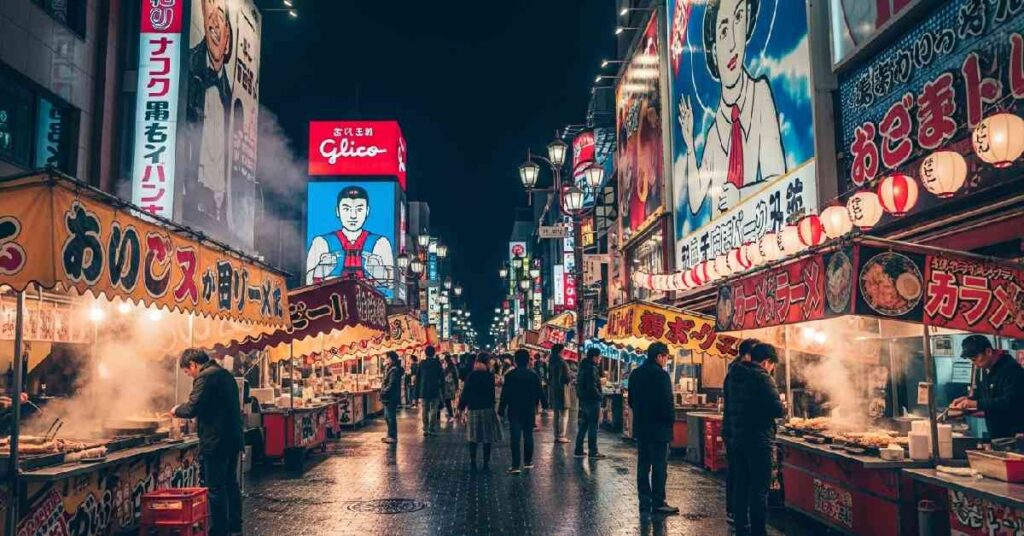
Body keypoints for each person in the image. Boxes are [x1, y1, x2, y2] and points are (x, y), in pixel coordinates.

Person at [675, 0, 787, 222]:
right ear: (714, 52)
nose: (734, 42)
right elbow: (696, 201)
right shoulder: (715, 133)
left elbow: (779, 181)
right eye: (724, 30)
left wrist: (741, 197)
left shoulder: (761, 94)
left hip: (761, 231)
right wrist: (689, 145)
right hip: (721, 242)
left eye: (738, 18)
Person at [171, 349, 244, 536]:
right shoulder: (225, 374)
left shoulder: (205, 377)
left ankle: (220, 530)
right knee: (230, 483)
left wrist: (176, 410)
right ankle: (235, 525)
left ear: (194, 364)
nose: (189, 375)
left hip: (216, 441)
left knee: (216, 487)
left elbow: (193, 407)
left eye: (188, 371)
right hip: (233, 438)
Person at [726, 343, 785, 536]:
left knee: (741, 484)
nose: (772, 369)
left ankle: (742, 526)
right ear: (766, 362)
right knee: (759, 490)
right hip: (759, 441)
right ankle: (759, 531)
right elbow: (776, 409)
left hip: (738, 438)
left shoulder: (734, 376)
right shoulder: (762, 378)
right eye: (772, 365)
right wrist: (783, 405)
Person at [305, 185, 395, 284]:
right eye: (346, 209)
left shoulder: (380, 243)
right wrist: (320, 271)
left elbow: (392, 284)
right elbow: (308, 282)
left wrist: (379, 272)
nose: (353, 216)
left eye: (359, 209)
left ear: (367, 211)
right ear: (337, 211)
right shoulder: (321, 242)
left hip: (369, 298)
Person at [628, 342, 679, 516]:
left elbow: (631, 402)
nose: (666, 360)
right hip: (659, 429)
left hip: (642, 427)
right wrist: (670, 421)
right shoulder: (661, 376)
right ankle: (658, 502)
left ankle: (644, 500)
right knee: (659, 466)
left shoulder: (635, 374)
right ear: (659, 356)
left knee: (643, 464)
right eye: (665, 357)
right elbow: (667, 403)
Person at [951, 335, 1024, 439]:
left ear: (988, 352)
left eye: (975, 359)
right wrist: (968, 399)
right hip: (996, 434)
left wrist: (976, 403)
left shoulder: (1011, 369)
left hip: (1015, 435)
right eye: (972, 360)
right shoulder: (985, 369)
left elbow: (1010, 401)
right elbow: (982, 395)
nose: (975, 364)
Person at [723, 338, 760, 527]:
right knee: (740, 475)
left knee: (737, 473)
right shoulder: (745, 374)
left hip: (732, 430)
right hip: (740, 432)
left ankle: (735, 512)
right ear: (748, 354)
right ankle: (737, 512)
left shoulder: (733, 372)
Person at [498, 349, 544, 474]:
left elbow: (505, 394)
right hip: (529, 408)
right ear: (527, 360)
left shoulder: (510, 375)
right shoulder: (533, 374)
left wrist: (501, 410)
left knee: (515, 437)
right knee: (528, 435)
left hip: (514, 409)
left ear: (516, 361)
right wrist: (544, 404)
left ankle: (515, 465)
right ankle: (528, 462)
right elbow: (540, 391)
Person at [458, 354, 502, 471]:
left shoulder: (471, 375)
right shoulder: (490, 376)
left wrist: (461, 408)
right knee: (487, 438)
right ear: (486, 362)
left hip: (473, 408)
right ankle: (486, 463)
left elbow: (465, 393)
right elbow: (492, 394)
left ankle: (473, 462)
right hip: (487, 408)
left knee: (473, 437)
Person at [574, 347, 607, 459]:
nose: (600, 359)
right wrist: (599, 396)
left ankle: (578, 450)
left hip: (584, 400)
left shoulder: (583, 366)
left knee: (584, 425)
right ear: (594, 357)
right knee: (593, 426)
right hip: (592, 401)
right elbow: (591, 386)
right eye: (599, 357)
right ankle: (593, 451)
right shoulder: (591, 368)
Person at [417, 346, 444, 436]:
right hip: (435, 389)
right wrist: (443, 390)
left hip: (424, 390)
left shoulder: (422, 363)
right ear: (434, 353)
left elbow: (418, 378)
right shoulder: (437, 363)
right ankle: (431, 428)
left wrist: (416, 394)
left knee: (425, 409)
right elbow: (442, 378)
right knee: (433, 409)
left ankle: (425, 428)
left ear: (425, 353)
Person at [548, 344, 572, 443]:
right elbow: (566, 378)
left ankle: (556, 435)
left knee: (556, 414)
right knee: (564, 413)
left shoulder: (551, 362)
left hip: (553, 389)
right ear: (560, 351)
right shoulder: (562, 363)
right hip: (562, 390)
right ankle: (561, 435)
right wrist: (571, 377)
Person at [380, 351, 404, 444]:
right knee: (387, 416)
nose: (385, 360)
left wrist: (383, 391)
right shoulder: (390, 368)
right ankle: (390, 435)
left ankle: (392, 436)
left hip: (391, 396)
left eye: (387, 358)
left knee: (390, 417)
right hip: (389, 396)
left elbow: (391, 384)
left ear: (391, 359)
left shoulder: (394, 370)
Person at [442, 355, 459, 421]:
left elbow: (447, 378)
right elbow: (456, 376)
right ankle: (452, 414)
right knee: (451, 400)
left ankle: (451, 415)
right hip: (453, 386)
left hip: (448, 387)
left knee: (448, 400)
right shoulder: (453, 366)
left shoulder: (449, 368)